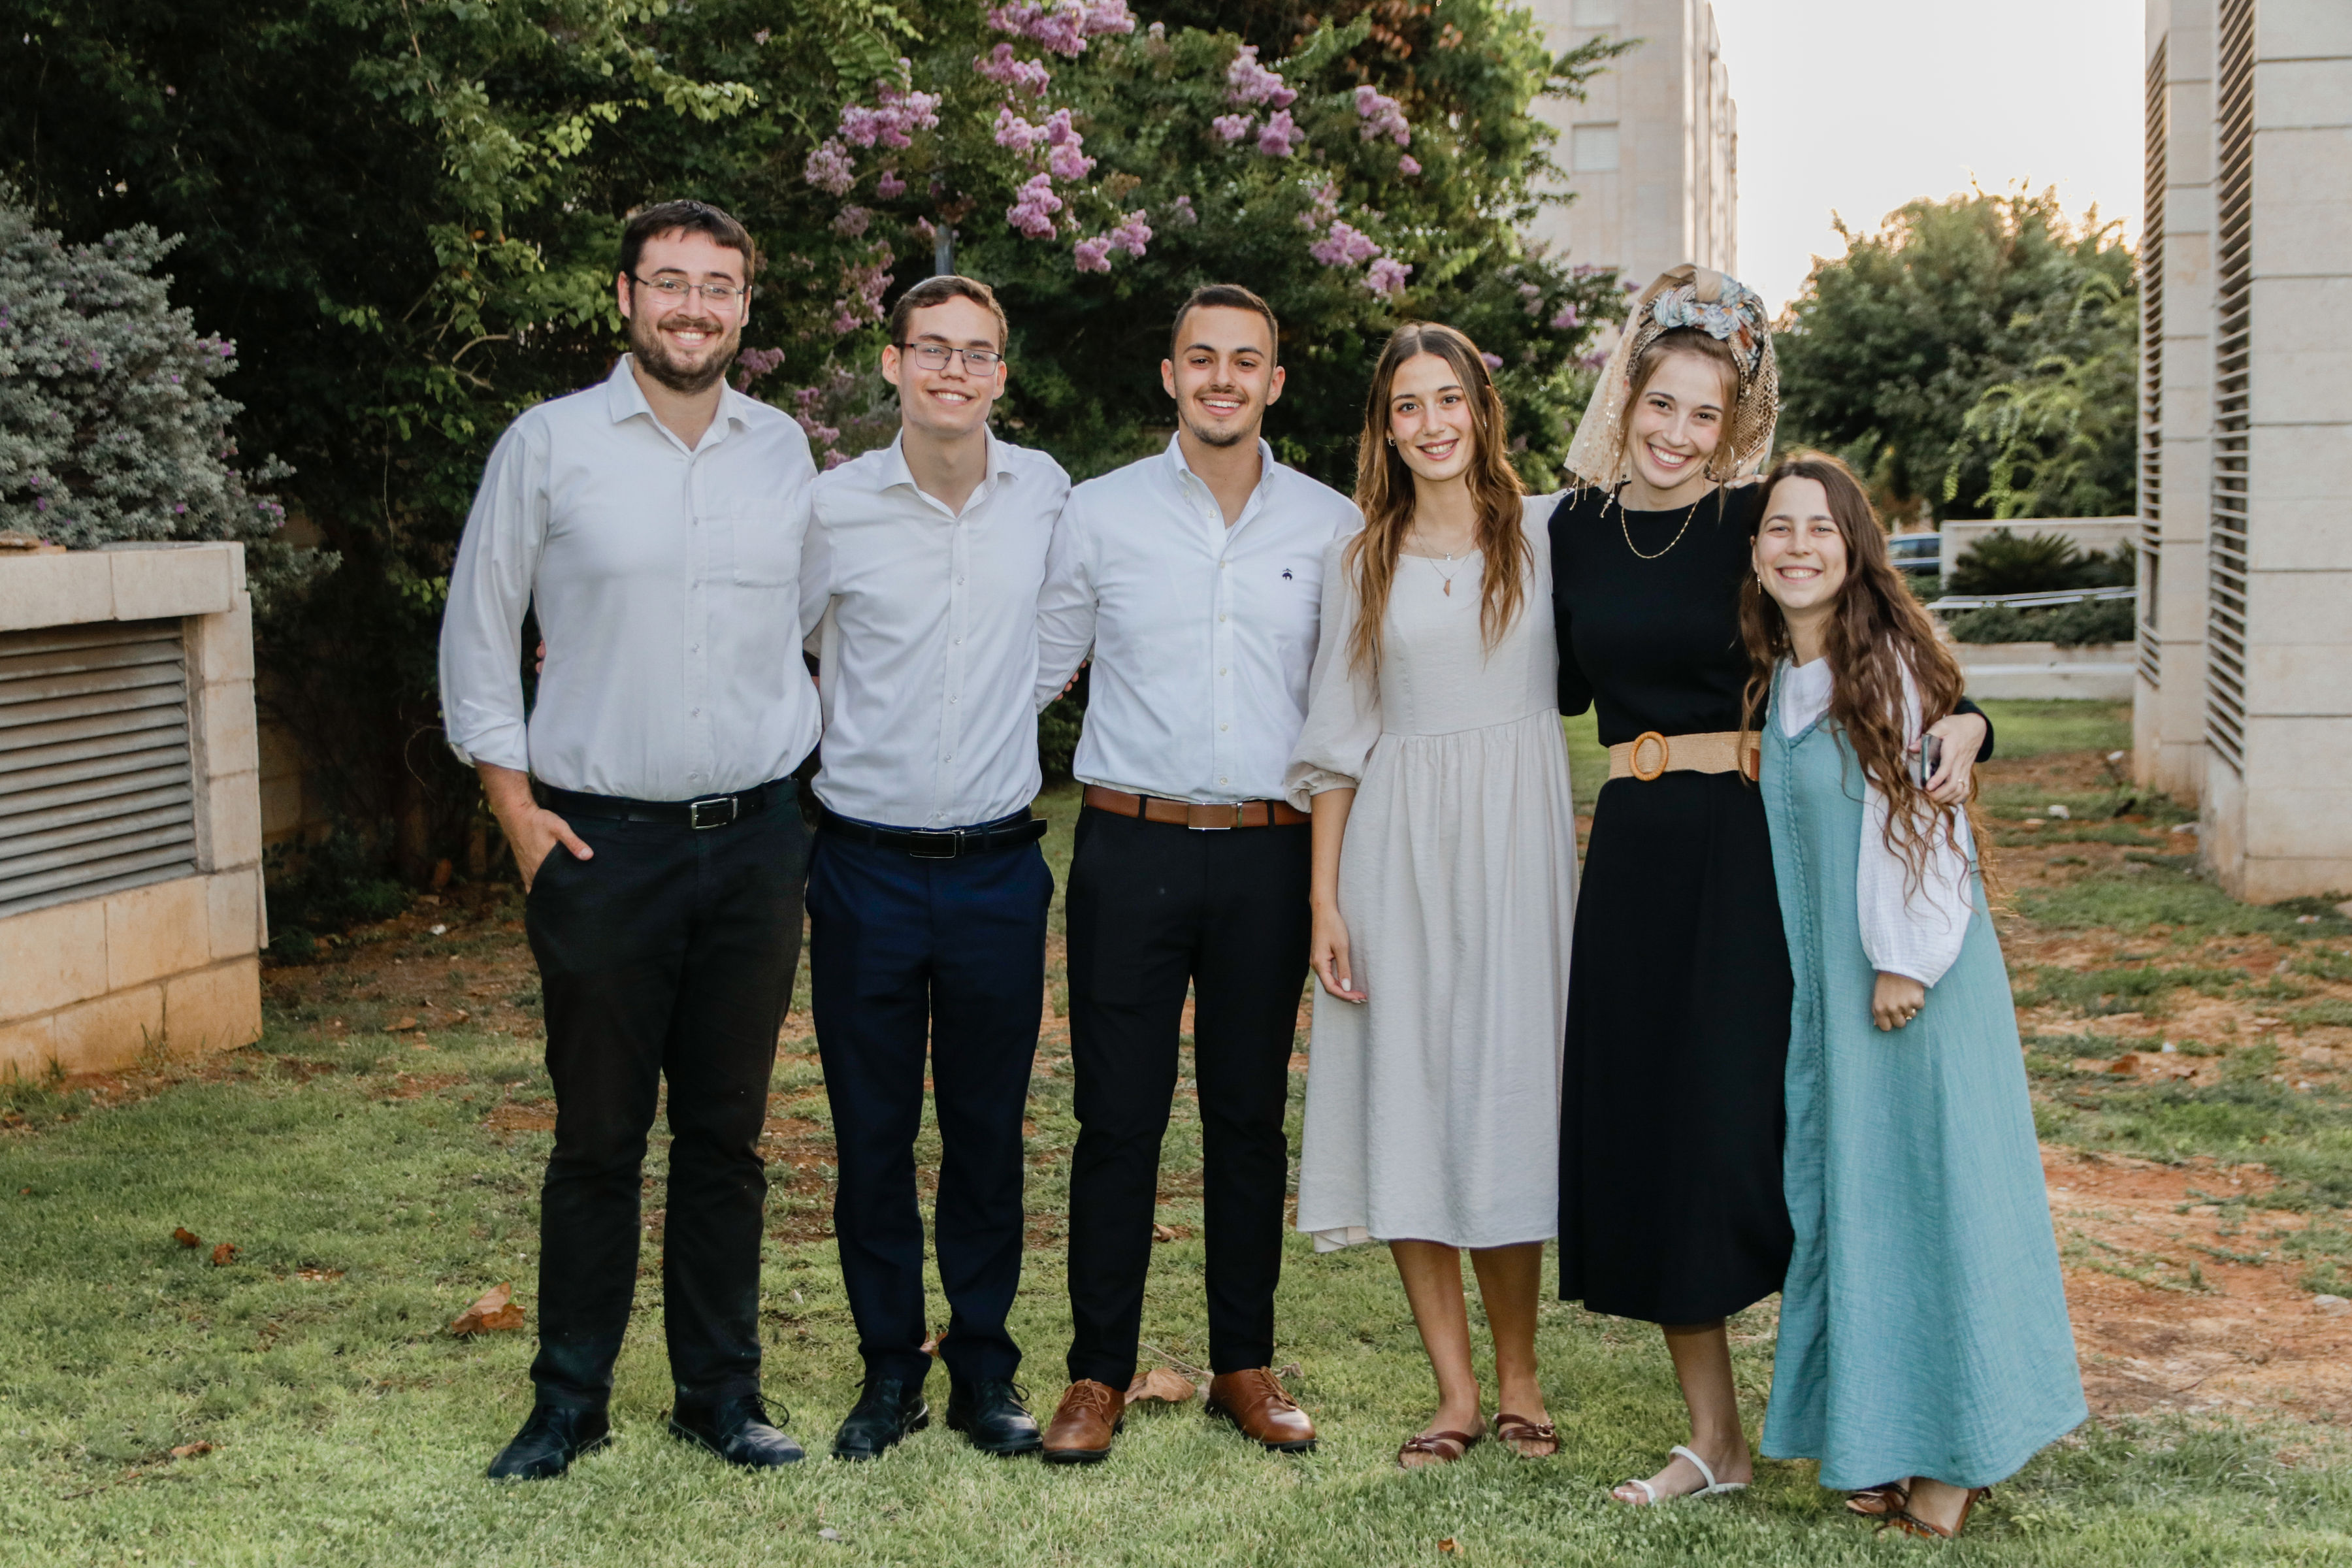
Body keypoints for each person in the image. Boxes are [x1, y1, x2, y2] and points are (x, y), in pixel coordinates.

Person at [1546, 266, 1997, 1506]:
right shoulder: (1568, 529)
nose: (1678, 432)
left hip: (1758, 854)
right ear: (1626, 392)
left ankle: (1882, 1412)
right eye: (1663, 403)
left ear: (1735, 423)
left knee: (1776, 1134)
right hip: (1634, 857)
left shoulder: (1760, 523)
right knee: (1657, 1138)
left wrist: (1972, 724)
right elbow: (1527, 676)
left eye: (1708, 414)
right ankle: (1717, 1443)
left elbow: (1882, 640)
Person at [439, 200, 820, 1478]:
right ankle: (569, 1401)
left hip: (757, 845)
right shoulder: (548, 447)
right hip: (601, 851)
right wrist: (515, 813)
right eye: (670, 282)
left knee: (726, 1137)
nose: (693, 307)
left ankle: (721, 1394)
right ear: (624, 297)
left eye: (717, 286)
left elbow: (821, 623)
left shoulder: (785, 453)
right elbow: (479, 632)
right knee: (598, 1139)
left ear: (745, 308)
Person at [1030, 284, 1360, 1463]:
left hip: (1271, 852)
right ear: (1171, 376)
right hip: (1131, 847)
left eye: (1246, 361)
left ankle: (1244, 1364)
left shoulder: (1331, 523)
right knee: (1116, 1117)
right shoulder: (1098, 512)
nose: (1224, 378)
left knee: (1248, 1116)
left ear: (1275, 382)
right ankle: (1096, 1373)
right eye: (1202, 358)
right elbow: (1034, 669)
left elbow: (1349, 708)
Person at [1742, 453, 2086, 1539]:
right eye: (1780, 528)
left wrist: (1907, 961)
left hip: (1909, 985)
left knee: (1935, 1197)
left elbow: (1926, 822)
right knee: (1863, 1202)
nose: (1799, 547)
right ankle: (1881, 1437)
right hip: (1835, 993)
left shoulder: (1884, 667)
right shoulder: (1783, 676)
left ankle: (1955, 1462)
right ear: (1755, 552)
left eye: (1821, 529)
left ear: (1856, 550)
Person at [1286, 325, 1575, 1468]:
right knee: (1408, 1096)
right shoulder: (1359, 559)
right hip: (1395, 851)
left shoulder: (1548, 532)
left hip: (1518, 849)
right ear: (1385, 428)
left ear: (1481, 410)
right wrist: (1325, 902)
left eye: (1449, 399)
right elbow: (1337, 742)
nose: (1431, 423)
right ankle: (1453, 1395)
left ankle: (1521, 1380)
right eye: (1408, 406)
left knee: (1506, 1098)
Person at [798, 275, 1070, 1461]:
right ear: (894, 364)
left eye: (976, 352)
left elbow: (1062, 633)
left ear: (1001, 374)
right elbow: (782, 640)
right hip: (860, 865)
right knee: (871, 1134)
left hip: (997, 870)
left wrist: (1001, 705)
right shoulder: (833, 508)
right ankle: (886, 1371)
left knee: (986, 1132)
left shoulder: (1046, 493)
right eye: (932, 349)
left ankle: (984, 1369)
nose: (953, 370)